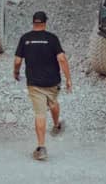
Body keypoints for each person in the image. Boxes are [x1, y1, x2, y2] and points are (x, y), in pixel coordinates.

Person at [13, 11, 72, 161]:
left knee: (40, 114)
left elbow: (18, 60)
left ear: (33, 23)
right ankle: (57, 125)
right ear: (45, 23)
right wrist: (68, 79)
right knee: (53, 102)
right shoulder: (52, 39)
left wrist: (16, 72)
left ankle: (41, 148)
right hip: (52, 82)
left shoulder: (25, 39)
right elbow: (62, 59)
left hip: (34, 83)